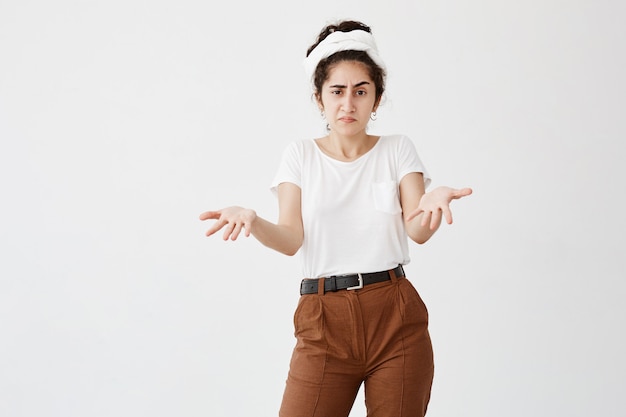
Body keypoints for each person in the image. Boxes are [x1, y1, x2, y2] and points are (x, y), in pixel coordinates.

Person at [200, 20, 472, 417]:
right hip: (324, 319)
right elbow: (291, 238)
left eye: (361, 92)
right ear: (319, 99)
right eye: (338, 91)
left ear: (376, 99)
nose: (349, 104)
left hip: (394, 314)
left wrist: (432, 203)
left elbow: (417, 230)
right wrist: (254, 220)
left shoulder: (398, 150)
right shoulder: (300, 155)